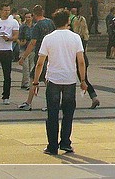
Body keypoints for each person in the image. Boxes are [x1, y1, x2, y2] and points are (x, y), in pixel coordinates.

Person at [31, 10, 88, 155]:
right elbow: (81, 61)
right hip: (69, 79)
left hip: (53, 79)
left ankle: (52, 146)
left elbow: (40, 63)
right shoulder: (75, 38)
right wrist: (83, 80)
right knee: (68, 113)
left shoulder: (48, 38)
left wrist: (36, 81)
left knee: (52, 113)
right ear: (68, 21)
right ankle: (66, 142)